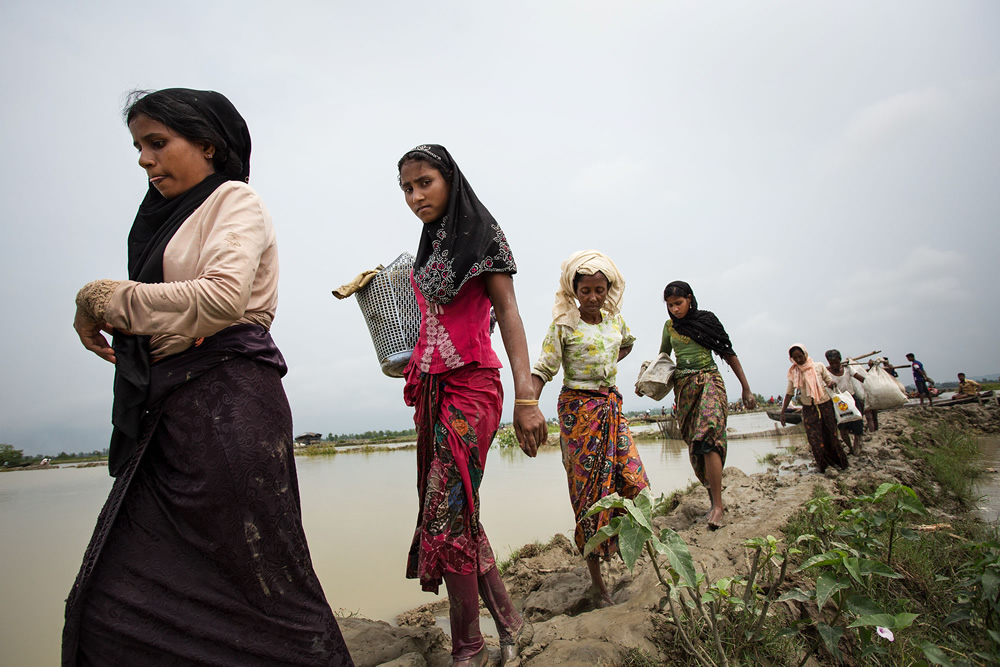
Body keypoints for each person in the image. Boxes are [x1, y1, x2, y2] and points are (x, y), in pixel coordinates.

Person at [67, 89, 352, 665]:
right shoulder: (165, 221)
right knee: (113, 597)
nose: (144, 160)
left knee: (265, 584)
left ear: (207, 144)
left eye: (157, 143)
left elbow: (222, 298)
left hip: (228, 406)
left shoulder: (234, 201)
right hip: (172, 413)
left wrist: (102, 298)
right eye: (138, 147)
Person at [397, 144, 545, 667]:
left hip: (474, 387)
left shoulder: (483, 237)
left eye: (424, 183)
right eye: (407, 189)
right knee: (455, 511)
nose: (415, 196)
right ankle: (508, 620)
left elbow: (508, 316)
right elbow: (431, 325)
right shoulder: (430, 250)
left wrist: (526, 399)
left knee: (447, 513)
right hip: (433, 389)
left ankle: (469, 647)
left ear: (450, 180)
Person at [530, 250, 650, 607]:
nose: (593, 297)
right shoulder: (564, 325)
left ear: (608, 290)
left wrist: (604, 367)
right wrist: (528, 404)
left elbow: (625, 345)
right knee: (589, 498)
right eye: (586, 291)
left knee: (634, 481)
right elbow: (545, 367)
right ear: (575, 291)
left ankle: (625, 552)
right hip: (578, 413)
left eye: (600, 290)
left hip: (611, 406)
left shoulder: (616, 322)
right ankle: (599, 583)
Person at [655, 281, 756, 529]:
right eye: (670, 305)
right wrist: (648, 381)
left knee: (710, 436)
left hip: (710, 381)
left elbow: (728, 353)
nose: (675, 309)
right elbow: (663, 360)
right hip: (685, 389)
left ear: (690, 299)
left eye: (678, 303)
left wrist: (746, 387)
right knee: (696, 444)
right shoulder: (669, 327)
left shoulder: (707, 320)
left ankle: (719, 506)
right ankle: (713, 501)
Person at [781, 345, 849, 473]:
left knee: (831, 435)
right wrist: (783, 411)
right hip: (808, 408)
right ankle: (823, 465)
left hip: (825, 404)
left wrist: (830, 383)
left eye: (800, 356)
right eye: (795, 358)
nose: (798, 360)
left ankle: (839, 463)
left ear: (805, 354)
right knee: (814, 439)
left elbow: (828, 380)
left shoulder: (818, 366)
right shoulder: (793, 372)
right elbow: (789, 392)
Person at [825, 350, 866, 455]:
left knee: (858, 425)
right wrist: (829, 385)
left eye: (836, 362)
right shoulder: (826, 372)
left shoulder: (848, 368)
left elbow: (862, 379)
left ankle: (857, 449)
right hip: (838, 403)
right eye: (831, 363)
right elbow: (823, 386)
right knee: (843, 428)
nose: (834, 365)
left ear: (840, 360)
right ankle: (850, 448)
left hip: (851, 399)